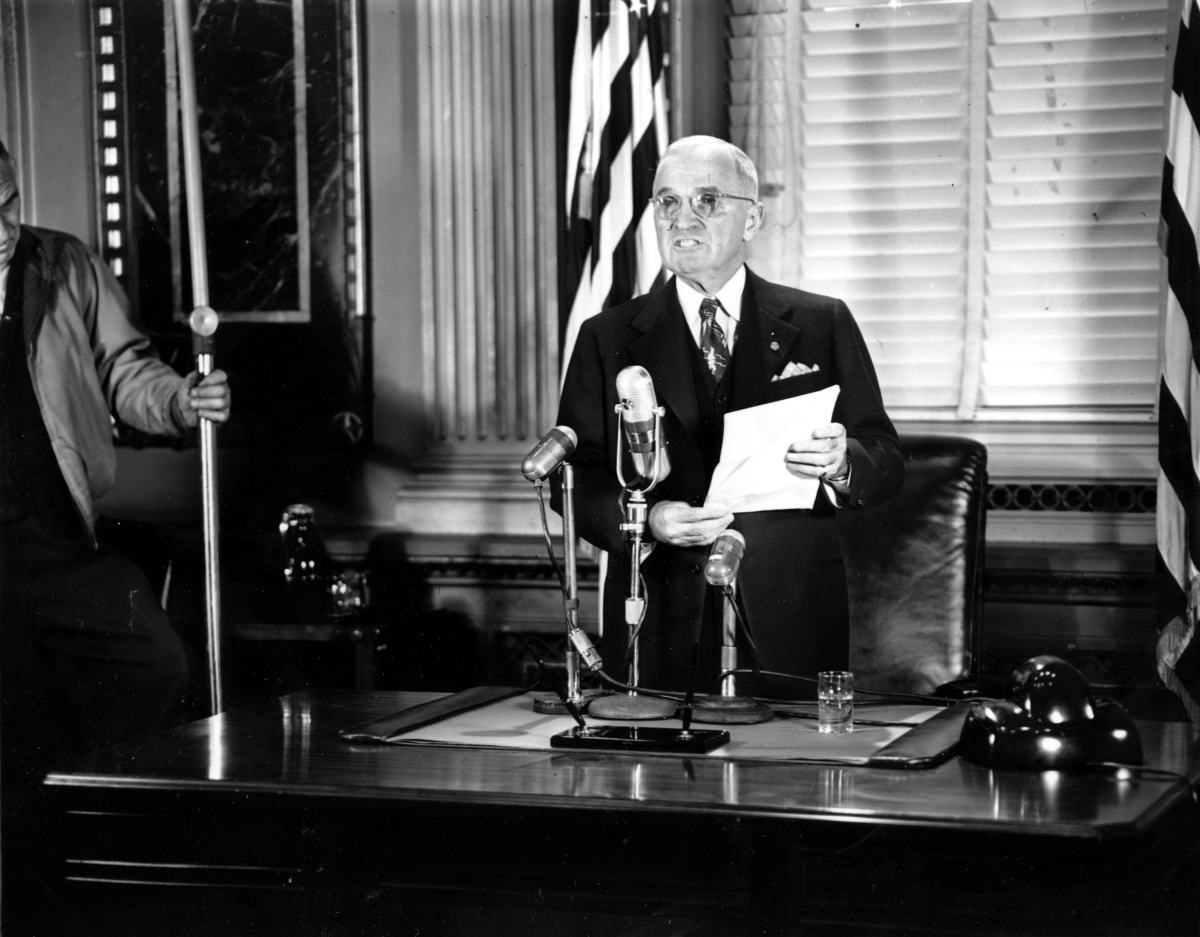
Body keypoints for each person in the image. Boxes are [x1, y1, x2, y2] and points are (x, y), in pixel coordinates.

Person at [556, 136, 903, 696]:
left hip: (787, 613)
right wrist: (648, 519)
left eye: (707, 200)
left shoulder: (821, 322)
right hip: (659, 616)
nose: (682, 219)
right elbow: (576, 480)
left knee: (789, 779)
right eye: (667, 203)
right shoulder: (608, 337)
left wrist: (843, 463)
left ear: (752, 219)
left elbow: (884, 459)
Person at [0, 139, 231, 787]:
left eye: (10, 204)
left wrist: (183, 400)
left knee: (157, 664)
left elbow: (126, 370)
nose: (2, 230)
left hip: (62, 540)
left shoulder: (64, 264)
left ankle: (92, 828)